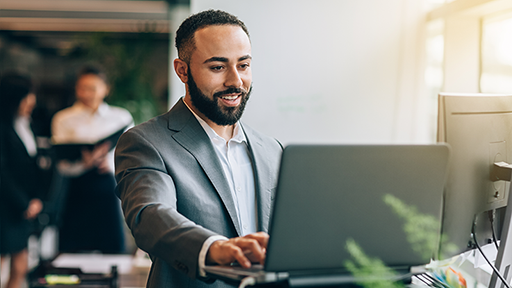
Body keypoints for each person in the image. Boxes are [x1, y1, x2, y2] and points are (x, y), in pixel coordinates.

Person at [115, 9, 283, 288]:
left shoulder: (272, 150)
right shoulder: (146, 142)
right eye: (217, 67)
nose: (235, 81)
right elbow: (151, 214)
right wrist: (214, 248)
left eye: (243, 65)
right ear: (182, 70)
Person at [51, 66, 133, 253]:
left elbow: (131, 156)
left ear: (106, 89)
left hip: (108, 185)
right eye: (82, 88)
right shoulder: (63, 118)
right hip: (77, 187)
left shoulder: (120, 117)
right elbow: (61, 161)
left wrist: (110, 163)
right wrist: (83, 162)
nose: (87, 93)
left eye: (93, 88)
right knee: (73, 248)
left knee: (111, 246)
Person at [0, 73, 44, 288]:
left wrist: (34, 199)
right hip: (6, 206)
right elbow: (2, 172)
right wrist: (23, 202)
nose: (32, 101)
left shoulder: (26, 125)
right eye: (26, 96)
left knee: (20, 266)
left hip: (21, 208)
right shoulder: (3, 127)